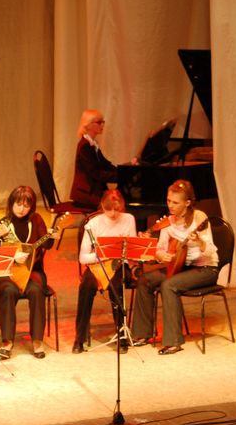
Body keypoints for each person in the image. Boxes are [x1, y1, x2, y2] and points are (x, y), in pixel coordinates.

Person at [131, 179, 218, 355]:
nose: (170, 205)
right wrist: (160, 255)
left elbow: (211, 250)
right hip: (180, 267)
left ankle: (174, 341)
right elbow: (161, 248)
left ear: (187, 203)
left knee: (169, 285)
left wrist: (199, 242)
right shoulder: (168, 222)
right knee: (145, 280)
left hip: (205, 268)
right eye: (168, 200)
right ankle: (142, 334)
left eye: (175, 202)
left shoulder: (199, 218)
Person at [0, 186, 54, 360]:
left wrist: (52, 236)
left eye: (26, 205)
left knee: (36, 291)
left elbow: (46, 244)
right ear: (11, 203)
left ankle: (37, 340)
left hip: (32, 272)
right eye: (18, 204)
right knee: (8, 291)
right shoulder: (3, 223)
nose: (22, 209)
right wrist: (11, 254)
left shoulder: (36, 220)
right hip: (6, 272)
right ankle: (7, 341)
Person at [72, 189, 137, 354]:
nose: (113, 213)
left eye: (117, 209)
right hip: (97, 264)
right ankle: (79, 338)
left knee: (116, 286)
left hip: (119, 264)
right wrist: (102, 255)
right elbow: (83, 258)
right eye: (109, 209)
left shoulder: (129, 219)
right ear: (102, 205)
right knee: (86, 286)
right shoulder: (93, 224)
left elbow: (132, 251)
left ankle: (122, 335)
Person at [70, 109, 118, 210]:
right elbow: (95, 173)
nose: (102, 125)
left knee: (116, 200)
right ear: (88, 125)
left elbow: (105, 164)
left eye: (103, 122)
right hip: (86, 194)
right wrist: (119, 177)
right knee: (115, 203)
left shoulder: (92, 144)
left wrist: (122, 172)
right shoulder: (84, 146)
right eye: (99, 122)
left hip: (92, 190)